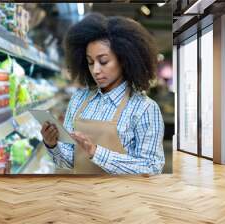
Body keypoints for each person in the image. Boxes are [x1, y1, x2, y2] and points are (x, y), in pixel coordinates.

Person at [40, 13, 165, 174]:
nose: (96, 70)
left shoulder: (145, 108)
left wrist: (96, 152)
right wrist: (52, 145)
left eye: (103, 61)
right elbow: (67, 163)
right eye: (90, 62)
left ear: (123, 59)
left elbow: (152, 168)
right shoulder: (78, 99)